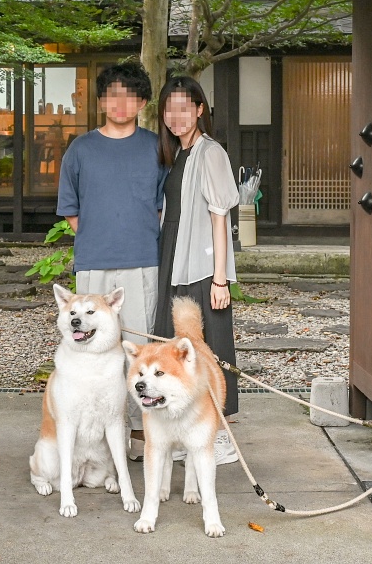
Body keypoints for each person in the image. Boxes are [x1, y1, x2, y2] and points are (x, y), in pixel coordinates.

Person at [56, 61, 165, 461]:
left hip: (143, 259)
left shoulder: (156, 146)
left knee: (138, 349)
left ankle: (139, 434)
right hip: (95, 261)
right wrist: (102, 235)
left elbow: (160, 207)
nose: (121, 103)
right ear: (101, 100)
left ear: (142, 102)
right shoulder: (81, 149)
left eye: (130, 95)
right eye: (112, 95)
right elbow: (72, 210)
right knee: (91, 348)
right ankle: (95, 434)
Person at [153, 76, 240, 465]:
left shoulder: (211, 153)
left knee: (213, 348)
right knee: (177, 347)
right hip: (173, 256)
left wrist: (220, 278)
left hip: (203, 264)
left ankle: (219, 436)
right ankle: (185, 433)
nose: (176, 116)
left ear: (201, 109)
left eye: (185, 107)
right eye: (170, 109)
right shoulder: (177, 155)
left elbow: (220, 218)